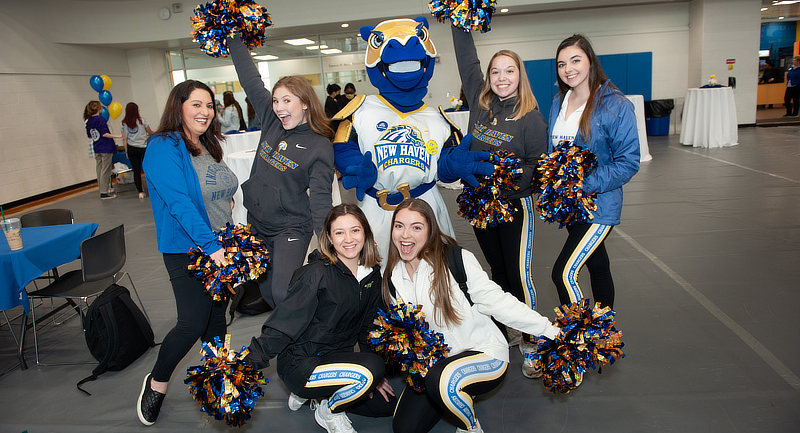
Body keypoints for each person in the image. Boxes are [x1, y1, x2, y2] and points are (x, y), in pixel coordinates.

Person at [384, 199, 560, 433]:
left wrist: (550, 331)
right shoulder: (392, 276)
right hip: (436, 364)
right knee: (405, 428)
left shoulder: (456, 259)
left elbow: (500, 303)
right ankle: (453, 394)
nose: (406, 235)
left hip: (483, 352)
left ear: (430, 231)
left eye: (416, 227)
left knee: (442, 381)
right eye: (399, 226)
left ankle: (470, 427)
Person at [136, 79, 238, 426]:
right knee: (192, 321)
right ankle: (157, 382)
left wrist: (226, 203)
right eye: (196, 104)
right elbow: (178, 201)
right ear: (178, 106)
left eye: (209, 106)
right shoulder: (163, 145)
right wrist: (211, 247)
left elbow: (215, 186)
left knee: (215, 320)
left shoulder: (207, 144)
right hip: (189, 249)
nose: (205, 112)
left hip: (222, 245)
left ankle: (217, 380)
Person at [450, 24, 549, 377]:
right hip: (481, 207)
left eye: (510, 71)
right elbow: (466, 59)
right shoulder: (480, 102)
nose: (502, 77)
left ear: (520, 76)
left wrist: (503, 179)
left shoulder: (531, 119)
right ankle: (508, 328)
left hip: (514, 206)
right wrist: (459, 14)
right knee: (497, 273)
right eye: (496, 71)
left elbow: (538, 169)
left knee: (519, 275)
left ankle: (533, 342)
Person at [246, 204, 395, 433]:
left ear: (365, 232)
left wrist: (375, 376)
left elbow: (368, 328)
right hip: (301, 364)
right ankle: (329, 409)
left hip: (336, 359)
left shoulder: (372, 274)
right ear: (329, 237)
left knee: (385, 406)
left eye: (355, 230)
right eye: (339, 232)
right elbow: (282, 326)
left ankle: (321, 395)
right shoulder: (316, 274)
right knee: (372, 369)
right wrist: (244, 365)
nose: (348, 239)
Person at [227, 34, 335, 308]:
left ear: (305, 103)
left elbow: (321, 199)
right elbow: (250, 80)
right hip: (257, 223)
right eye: (276, 100)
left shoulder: (319, 145)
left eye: (287, 101)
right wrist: (233, 38)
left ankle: (305, 343)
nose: (279, 107)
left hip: (291, 227)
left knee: (282, 293)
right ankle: (288, 339)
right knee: (268, 293)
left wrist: (328, 243)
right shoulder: (272, 122)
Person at [547, 34, 639, 313]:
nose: (568, 69)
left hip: (600, 204)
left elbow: (628, 162)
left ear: (590, 62)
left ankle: (581, 337)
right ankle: (604, 329)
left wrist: (582, 184)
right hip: (571, 206)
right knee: (598, 265)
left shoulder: (616, 105)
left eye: (576, 60)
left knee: (563, 272)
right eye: (562, 64)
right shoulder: (558, 101)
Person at [84, 100, 122, 199]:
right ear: (98, 109)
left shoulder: (89, 121)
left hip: (97, 147)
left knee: (99, 169)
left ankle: (102, 189)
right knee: (105, 170)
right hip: (105, 147)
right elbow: (104, 133)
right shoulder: (100, 119)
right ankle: (104, 192)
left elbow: (90, 135)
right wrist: (117, 136)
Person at [120, 102, 154, 199]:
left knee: (136, 171)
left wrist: (126, 151)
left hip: (131, 148)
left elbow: (124, 139)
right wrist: (158, 132)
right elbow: (150, 132)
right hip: (143, 148)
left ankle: (140, 192)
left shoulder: (123, 123)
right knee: (149, 169)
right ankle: (152, 188)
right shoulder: (142, 121)